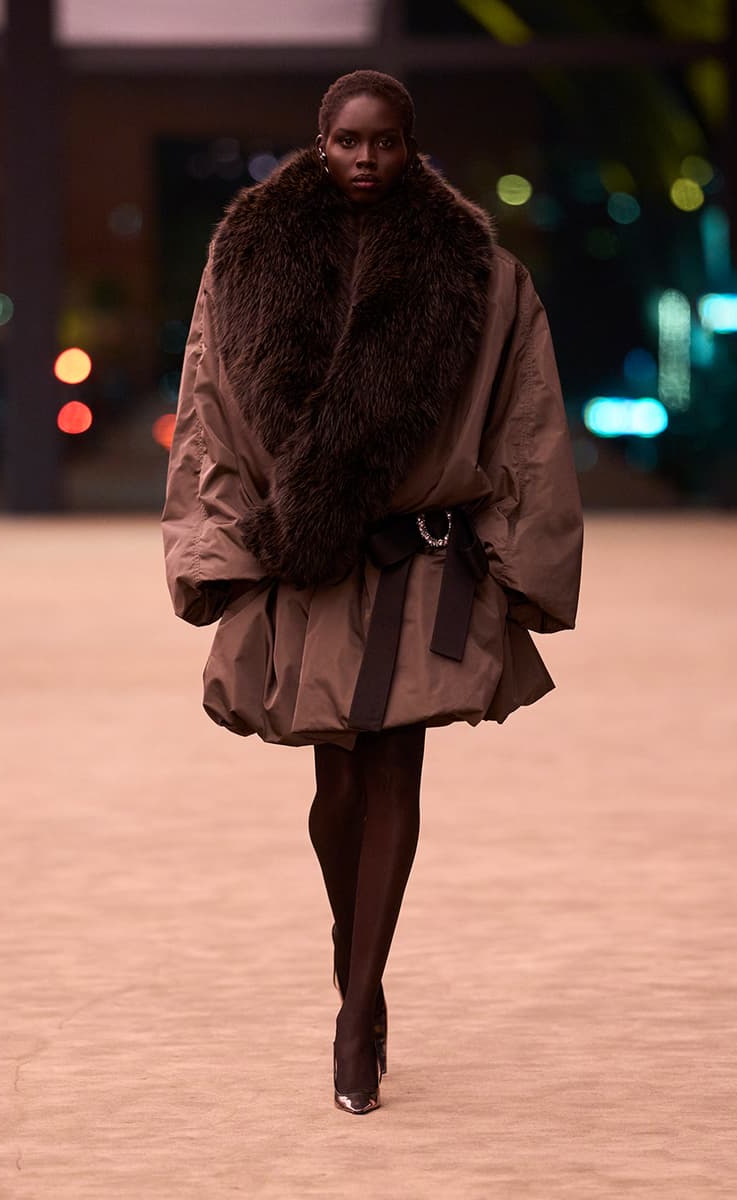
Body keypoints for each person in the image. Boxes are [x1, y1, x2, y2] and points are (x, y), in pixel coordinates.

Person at [161, 70, 583, 1115]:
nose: (364, 160)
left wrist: (521, 563)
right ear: (317, 142)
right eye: (347, 141)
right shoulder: (244, 263)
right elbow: (207, 408)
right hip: (307, 559)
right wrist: (214, 550)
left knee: (391, 775)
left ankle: (354, 1018)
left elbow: (526, 424)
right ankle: (359, 955)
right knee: (333, 793)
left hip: (421, 560)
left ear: (411, 147)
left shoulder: (480, 277)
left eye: (384, 143)